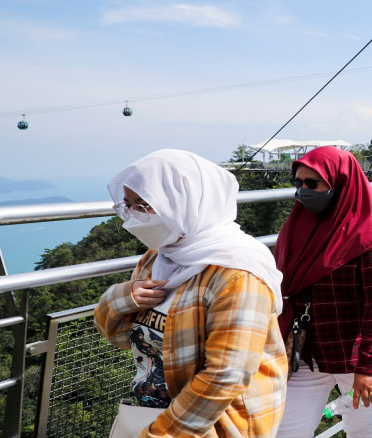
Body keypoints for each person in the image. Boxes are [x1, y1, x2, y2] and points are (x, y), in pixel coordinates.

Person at [94, 149, 287, 437]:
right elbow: (120, 336)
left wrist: (162, 434)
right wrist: (123, 296)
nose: (134, 218)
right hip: (157, 414)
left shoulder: (238, 274)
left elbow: (226, 376)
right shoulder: (157, 259)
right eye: (129, 206)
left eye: (144, 205)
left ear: (182, 201)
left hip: (217, 424)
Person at [274, 146, 372, 438]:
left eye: (313, 184)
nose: (303, 191)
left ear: (340, 183)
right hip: (306, 351)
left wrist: (370, 367)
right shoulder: (296, 229)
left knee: (363, 431)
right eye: (298, 183)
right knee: (283, 429)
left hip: (358, 354)